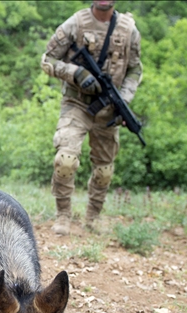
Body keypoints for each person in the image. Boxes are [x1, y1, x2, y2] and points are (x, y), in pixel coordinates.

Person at [40, 0, 143, 235]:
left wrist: (124, 100)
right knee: (66, 160)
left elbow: (135, 69)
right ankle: (63, 215)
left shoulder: (129, 30)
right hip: (77, 103)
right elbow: (47, 60)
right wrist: (75, 73)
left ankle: (93, 217)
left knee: (104, 170)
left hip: (109, 108)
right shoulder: (76, 23)